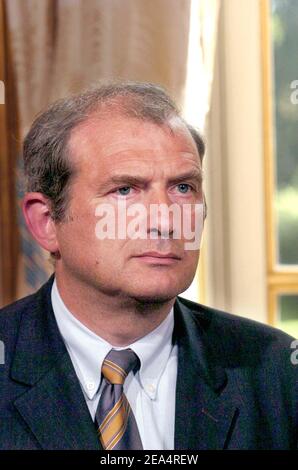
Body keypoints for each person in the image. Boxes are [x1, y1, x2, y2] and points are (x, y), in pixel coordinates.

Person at [0, 81, 297, 450]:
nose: (166, 220)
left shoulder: (278, 373)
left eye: (183, 188)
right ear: (46, 223)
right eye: (125, 190)